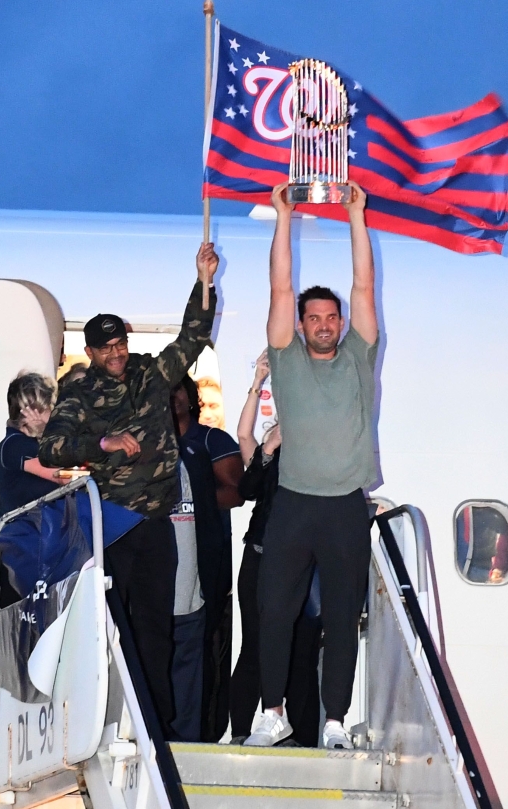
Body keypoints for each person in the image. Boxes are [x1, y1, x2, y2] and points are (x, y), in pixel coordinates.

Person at [40, 241, 220, 737]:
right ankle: (113, 717)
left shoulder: (152, 373)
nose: (116, 353)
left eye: (120, 343)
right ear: (92, 352)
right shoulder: (78, 392)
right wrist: (102, 441)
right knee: (112, 627)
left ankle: (155, 725)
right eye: (107, 348)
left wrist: (203, 281)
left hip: (156, 523)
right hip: (113, 526)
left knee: (157, 629)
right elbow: (53, 448)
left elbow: (193, 336)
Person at [249, 182, 381, 750]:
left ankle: (333, 722)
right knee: (274, 612)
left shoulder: (359, 353)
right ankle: (272, 713)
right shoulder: (286, 358)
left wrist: (356, 216)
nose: (325, 324)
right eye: (315, 318)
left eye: (333, 317)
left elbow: (364, 284)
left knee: (342, 617)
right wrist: (284, 216)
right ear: (300, 325)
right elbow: (280, 284)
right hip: (295, 503)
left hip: (346, 503)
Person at [229, 355, 324, 746]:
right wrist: (257, 382)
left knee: (302, 647)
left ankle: (301, 736)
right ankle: (240, 731)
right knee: (254, 643)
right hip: (261, 553)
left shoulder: (322, 447)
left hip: (304, 559)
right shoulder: (272, 446)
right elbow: (244, 444)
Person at [170, 375, 242, 742]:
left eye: (179, 388)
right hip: (158, 569)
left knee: (200, 659)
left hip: (204, 570)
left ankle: (198, 734)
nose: (174, 396)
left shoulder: (212, 440)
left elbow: (236, 492)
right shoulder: (146, 443)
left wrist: (195, 494)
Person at [0, 372, 63, 519]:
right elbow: (61, 476)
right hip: (26, 535)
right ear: (33, 411)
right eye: (50, 408)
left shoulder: (21, 443)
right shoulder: (16, 445)